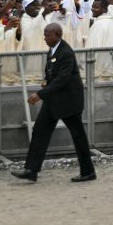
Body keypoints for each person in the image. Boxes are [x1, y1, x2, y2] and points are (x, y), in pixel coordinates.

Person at [11, 23, 96, 183]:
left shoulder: (66, 52)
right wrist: (45, 82)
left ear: (57, 35)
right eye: (44, 35)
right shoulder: (53, 50)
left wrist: (40, 94)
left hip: (69, 102)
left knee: (78, 136)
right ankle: (31, 170)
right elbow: (51, 73)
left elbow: (63, 79)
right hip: (54, 100)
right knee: (40, 131)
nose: (45, 38)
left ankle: (88, 172)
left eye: (47, 35)